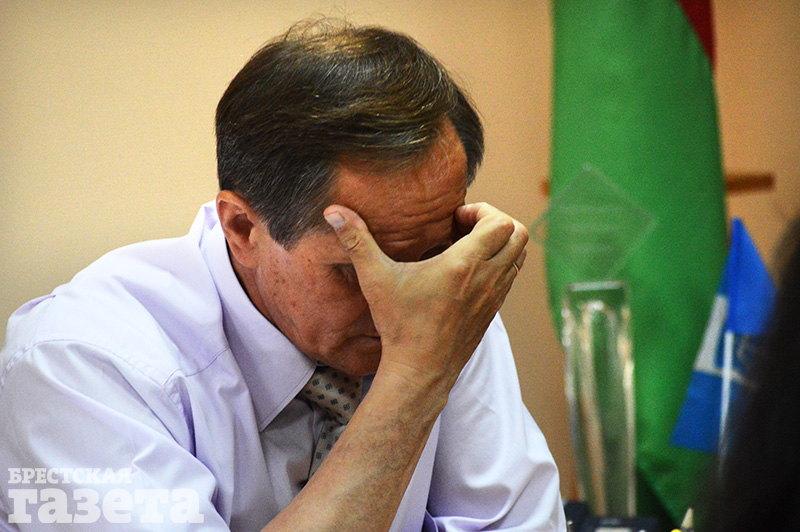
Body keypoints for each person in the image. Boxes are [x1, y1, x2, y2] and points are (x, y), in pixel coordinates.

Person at [0, 20, 565, 531]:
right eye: (354, 271)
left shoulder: (442, 296)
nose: (404, 302)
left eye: (429, 255)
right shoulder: (77, 362)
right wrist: (415, 378)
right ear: (243, 228)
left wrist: (421, 353)